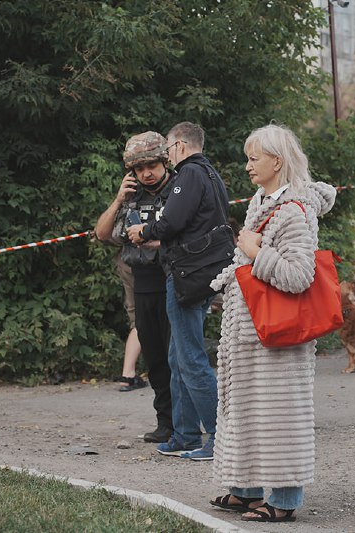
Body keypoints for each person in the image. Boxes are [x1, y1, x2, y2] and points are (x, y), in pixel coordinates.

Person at [205, 124, 336, 523]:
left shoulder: (295, 210)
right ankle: (245, 490)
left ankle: (285, 499)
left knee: (281, 416)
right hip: (252, 334)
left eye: (254, 158)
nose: (247, 166)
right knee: (247, 409)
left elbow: (299, 276)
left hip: (277, 337)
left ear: (277, 161)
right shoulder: (264, 201)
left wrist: (254, 250)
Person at [127, 122, 227, 460]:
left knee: (192, 359)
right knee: (177, 356)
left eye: (168, 149)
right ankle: (184, 434)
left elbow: (172, 222)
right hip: (202, 273)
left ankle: (219, 437)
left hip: (186, 275)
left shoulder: (190, 175)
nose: (168, 156)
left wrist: (145, 231)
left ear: (180, 146)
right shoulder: (212, 175)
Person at [95, 131, 174, 443]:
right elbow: (102, 234)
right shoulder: (132, 198)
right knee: (154, 357)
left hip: (173, 279)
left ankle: (189, 423)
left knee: (177, 357)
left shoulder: (179, 191)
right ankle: (166, 422)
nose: (146, 173)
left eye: (152, 165)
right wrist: (119, 199)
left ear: (164, 161)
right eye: (139, 169)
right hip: (142, 282)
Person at [112, 254, 147, 392]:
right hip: (152, 267)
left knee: (138, 319)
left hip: (126, 261)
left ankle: (127, 375)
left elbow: (102, 235)